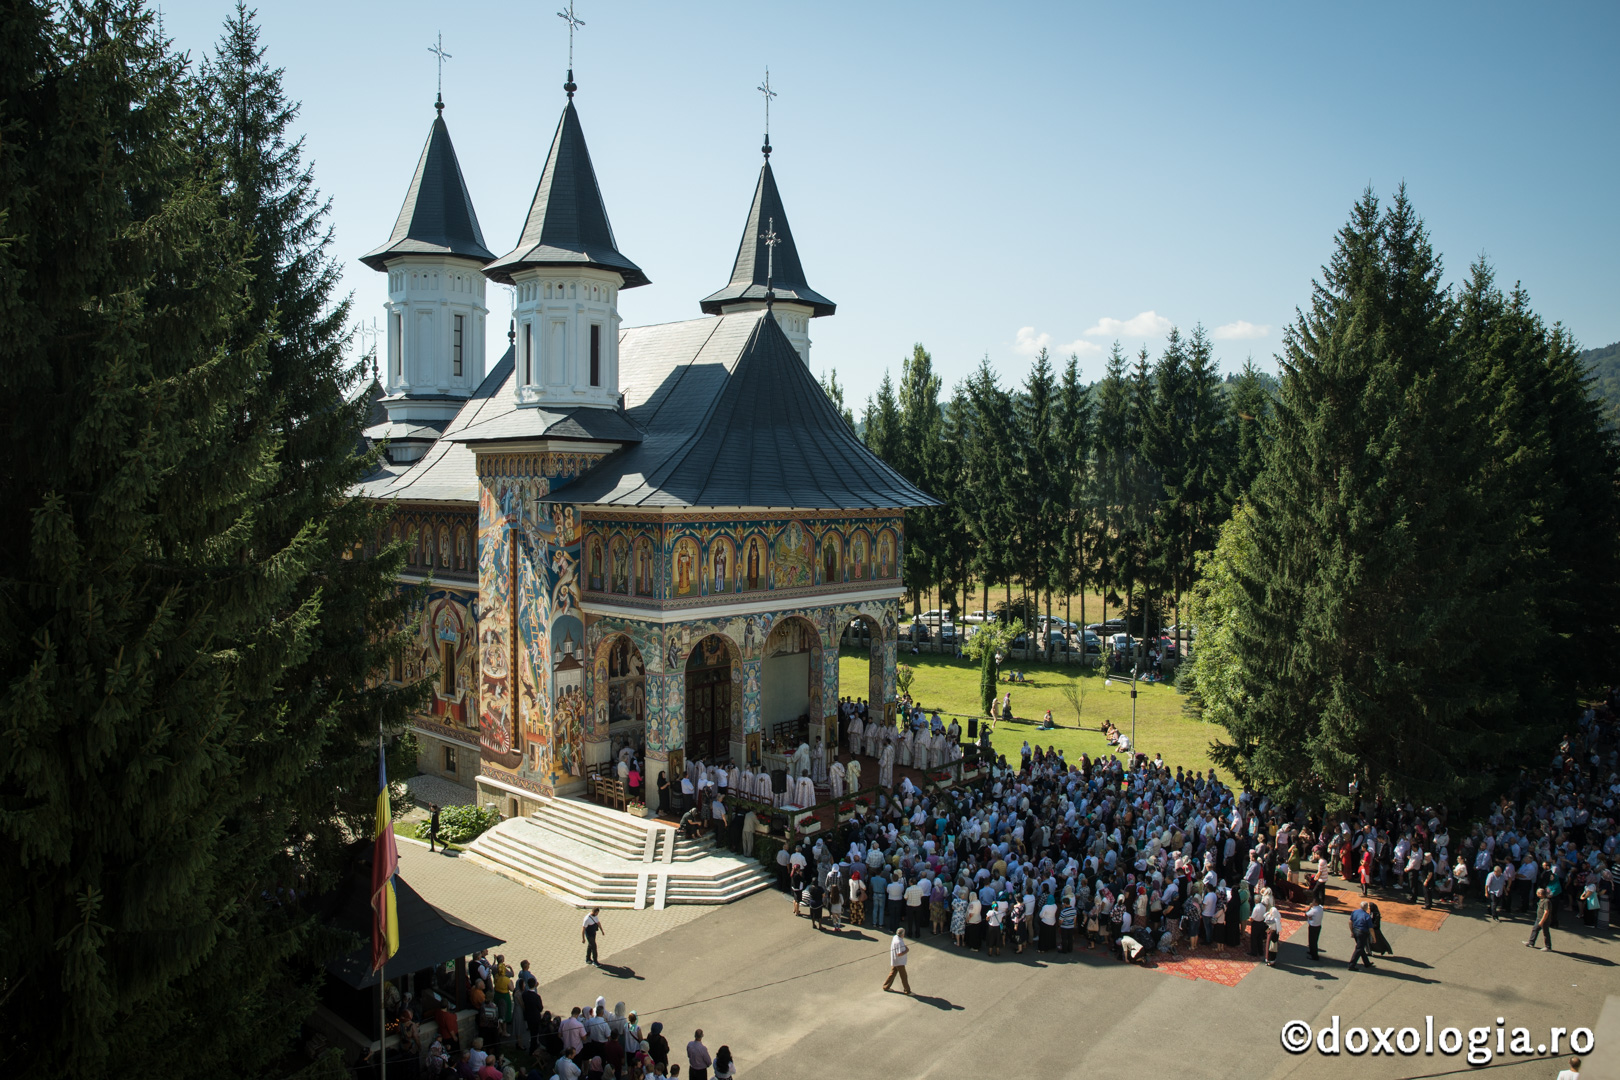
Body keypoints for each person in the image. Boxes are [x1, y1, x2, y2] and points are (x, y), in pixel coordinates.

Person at [882, 927, 913, 994]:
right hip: (899, 962)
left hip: (895, 960)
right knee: (904, 976)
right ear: (902, 934)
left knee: (893, 973)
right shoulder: (899, 942)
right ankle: (907, 990)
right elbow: (899, 954)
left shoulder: (895, 937)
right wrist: (906, 950)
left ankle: (886, 986)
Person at [1348, 901, 1375, 970]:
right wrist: (1374, 937)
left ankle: (1367, 963)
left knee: (1361, 947)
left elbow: (1350, 922)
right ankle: (1352, 965)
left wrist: (1352, 931)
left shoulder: (1355, 912)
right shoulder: (1367, 916)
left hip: (1355, 930)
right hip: (1362, 933)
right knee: (1359, 949)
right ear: (1366, 908)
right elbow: (1371, 929)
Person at [1527, 887, 1554, 951]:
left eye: (1537, 892)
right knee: (1535, 929)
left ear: (1540, 894)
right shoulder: (1541, 899)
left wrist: (1542, 921)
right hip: (1538, 918)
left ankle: (1548, 947)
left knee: (1545, 933)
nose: (1536, 894)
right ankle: (1531, 943)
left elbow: (1546, 912)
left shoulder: (1546, 901)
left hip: (1544, 920)